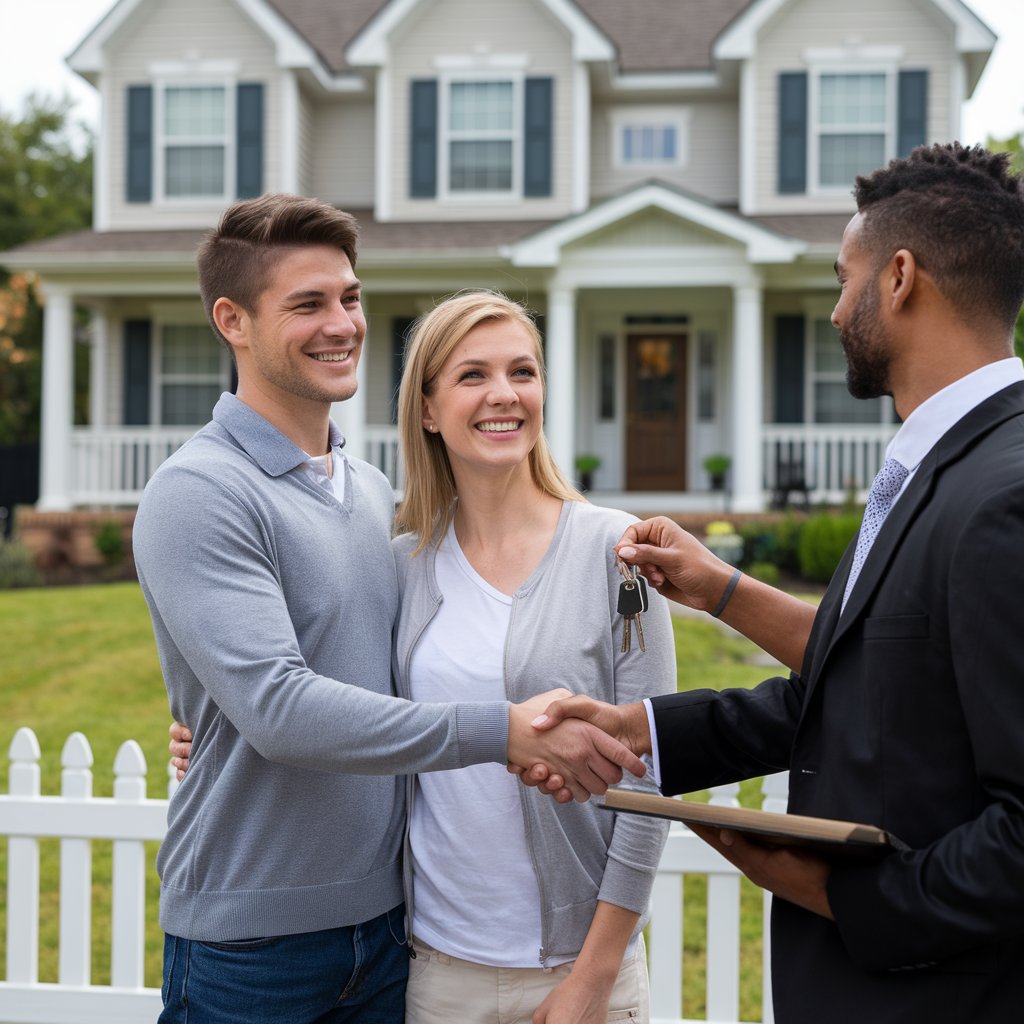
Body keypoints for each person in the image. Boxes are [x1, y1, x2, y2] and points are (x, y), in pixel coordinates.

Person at [534, 143, 1024, 1022]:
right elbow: (864, 691)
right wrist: (640, 728)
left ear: (901, 277)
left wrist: (842, 897)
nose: (836, 309)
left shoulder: (1006, 494)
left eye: (846, 278)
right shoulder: (938, 468)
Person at [133, 193, 646, 1024]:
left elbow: (379, 672)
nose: (341, 323)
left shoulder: (376, 499)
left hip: (388, 933)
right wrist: (501, 728)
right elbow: (277, 708)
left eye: (350, 297)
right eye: (307, 304)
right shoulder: (197, 492)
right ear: (232, 320)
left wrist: (215, 724)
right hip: (253, 948)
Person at [392, 291, 676, 1023]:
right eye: (472, 375)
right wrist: (211, 736)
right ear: (427, 409)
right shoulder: (400, 568)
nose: (504, 395)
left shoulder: (615, 553)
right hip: (437, 969)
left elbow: (652, 779)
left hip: (581, 975)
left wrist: (594, 977)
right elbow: (340, 711)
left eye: (523, 371)